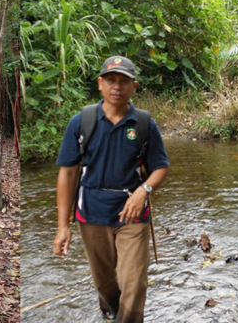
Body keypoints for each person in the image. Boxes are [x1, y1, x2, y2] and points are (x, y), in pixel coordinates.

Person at [53, 56, 170, 323]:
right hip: (91, 213)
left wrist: (144, 190)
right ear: (100, 84)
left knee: (135, 283)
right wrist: (63, 226)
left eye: (123, 81)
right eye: (111, 80)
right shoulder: (81, 122)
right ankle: (111, 315)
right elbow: (68, 173)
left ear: (134, 86)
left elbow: (160, 167)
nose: (116, 86)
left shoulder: (143, 124)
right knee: (105, 284)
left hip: (132, 214)